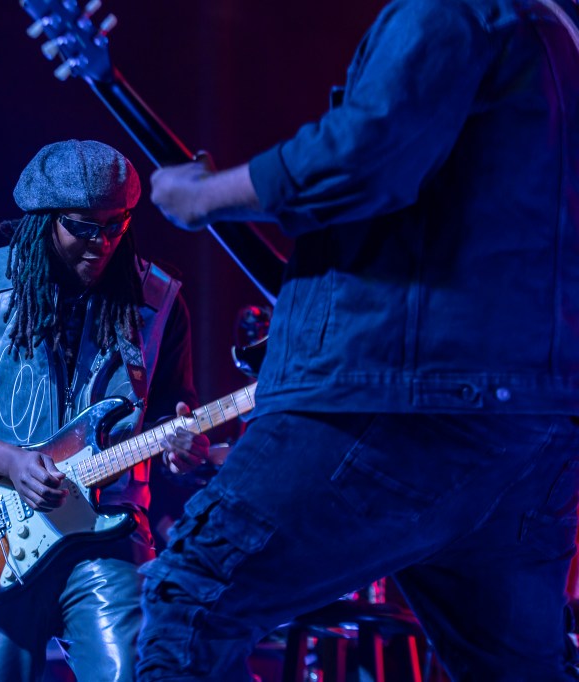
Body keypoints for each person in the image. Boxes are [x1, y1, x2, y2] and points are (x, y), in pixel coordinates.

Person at [136, 0, 579, 680]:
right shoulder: (559, 33)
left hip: (397, 398)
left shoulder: (456, 8)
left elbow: (364, 155)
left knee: (192, 597)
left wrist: (206, 196)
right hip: (533, 425)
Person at [0, 139, 210, 682]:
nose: (103, 243)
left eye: (116, 225)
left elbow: (168, 415)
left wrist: (181, 445)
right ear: (41, 220)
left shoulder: (160, 301)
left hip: (109, 532)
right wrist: (12, 462)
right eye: (83, 227)